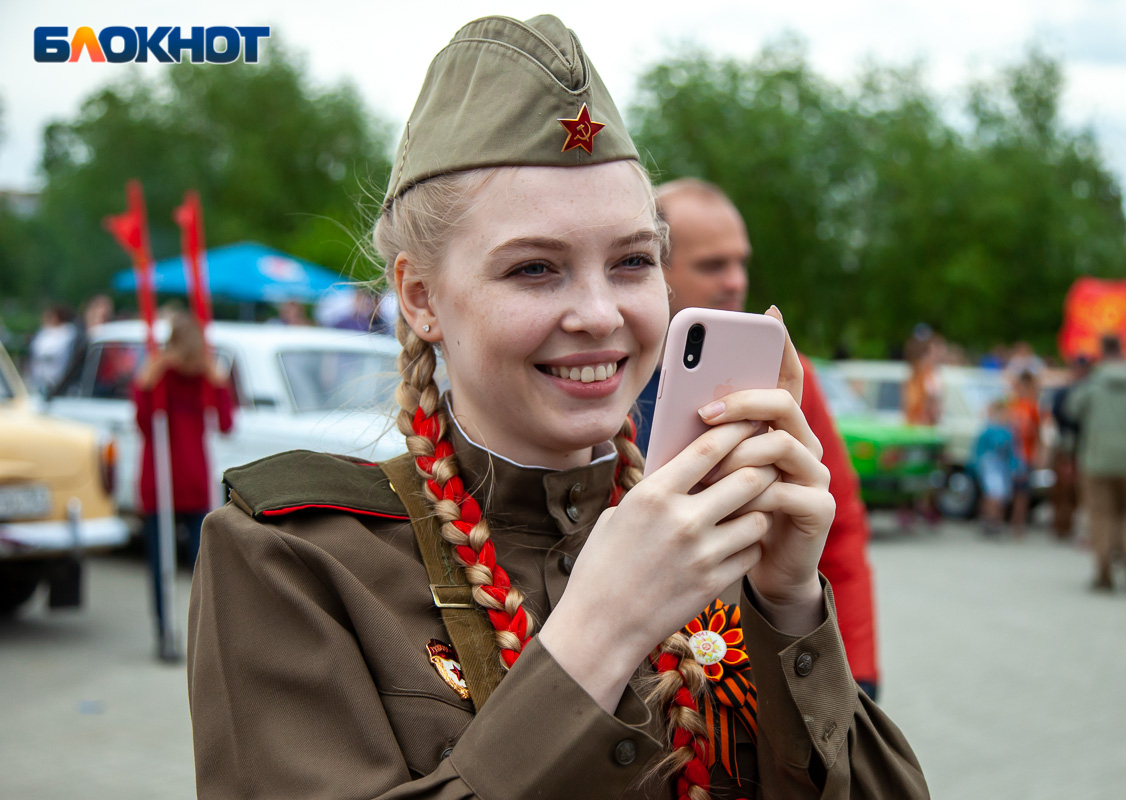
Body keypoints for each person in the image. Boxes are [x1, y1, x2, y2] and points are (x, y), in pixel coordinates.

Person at [187, 15, 927, 800]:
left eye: (633, 262)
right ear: (420, 297)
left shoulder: (712, 546)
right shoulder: (295, 559)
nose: (601, 314)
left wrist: (788, 602)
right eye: (536, 268)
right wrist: (596, 636)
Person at [636, 177, 882, 700]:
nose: (735, 281)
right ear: (652, 265)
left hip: (751, 671)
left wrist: (856, 667)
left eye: (741, 262)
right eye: (712, 264)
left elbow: (837, 521)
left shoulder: (788, 376)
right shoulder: (604, 375)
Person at [133, 310, 233, 660]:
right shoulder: (159, 378)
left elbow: (225, 423)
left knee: (199, 564)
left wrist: (219, 383)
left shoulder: (205, 379)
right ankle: (164, 631)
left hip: (194, 483)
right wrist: (146, 383)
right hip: (160, 482)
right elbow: (145, 423)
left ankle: (202, 631)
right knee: (159, 563)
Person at [1066, 335, 1126, 591]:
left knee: (1101, 515)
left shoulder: (1091, 385)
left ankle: (1104, 571)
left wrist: (1070, 454)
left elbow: (1071, 416)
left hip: (1096, 458)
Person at [1049, 356, 1092, 539]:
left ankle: (1070, 526)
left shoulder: (1088, 391)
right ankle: (1062, 526)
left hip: (1084, 445)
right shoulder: (1065, 392)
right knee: (1063, 489)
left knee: (1079, 489)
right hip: (1069, 444)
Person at [972, 399, 1024, 535]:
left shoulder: (1008, 432)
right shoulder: (988, 431)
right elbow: (978, 451)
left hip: (1003, 469)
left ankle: (997, 522)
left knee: (1001, 496)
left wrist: (1016, 467)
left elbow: (1013, 453)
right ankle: (988, 520)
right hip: (990, 467)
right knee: (992, 495)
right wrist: (976, 465)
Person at [1007, 370, 1042, 535]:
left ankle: (1018, 522)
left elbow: (1037, 433)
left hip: (1025, 455)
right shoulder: (1011, 404)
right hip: (1009, 455)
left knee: (1022, 491)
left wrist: (1038, 453)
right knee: (1011, 489)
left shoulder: (1033, 407)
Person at [25, 304, 76, 394]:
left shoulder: (67, 332)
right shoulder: (44, 331)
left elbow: (52, 352)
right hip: (38, 377)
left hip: (56, 377)